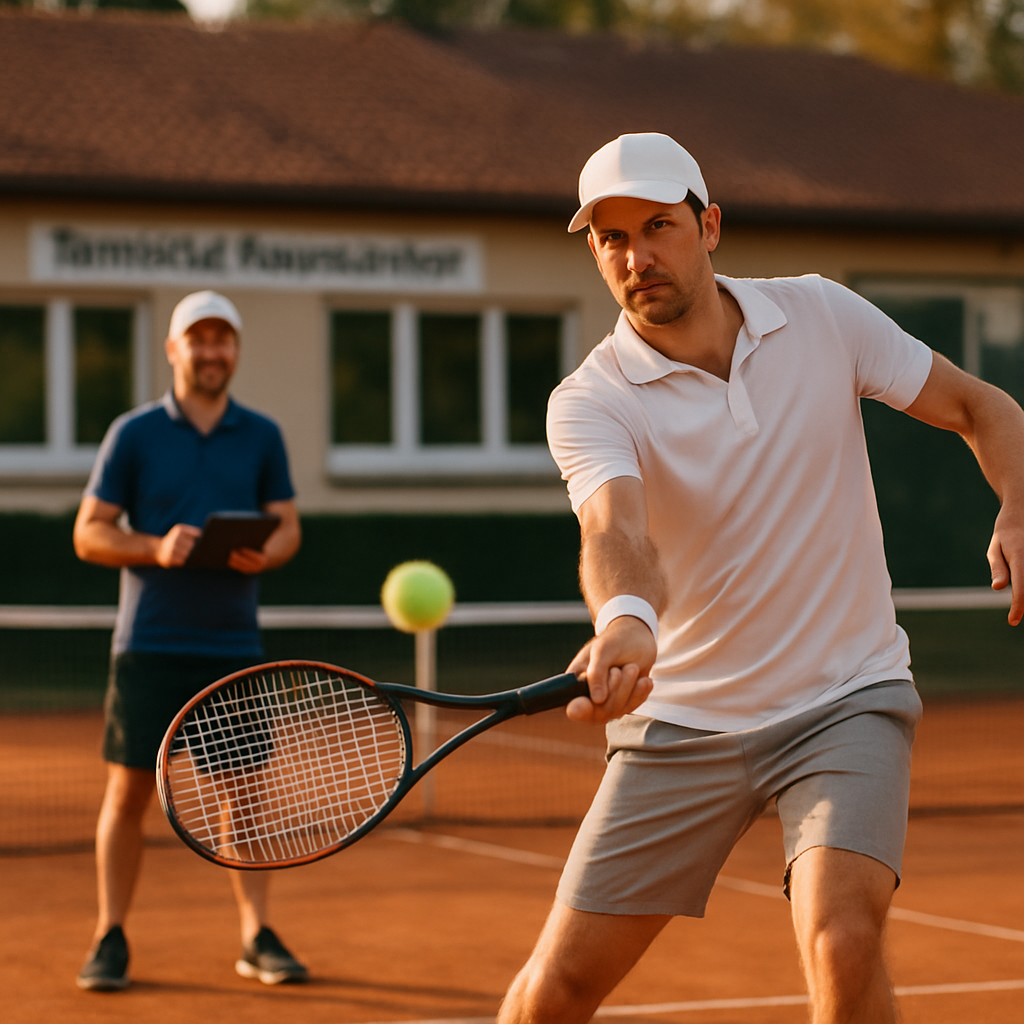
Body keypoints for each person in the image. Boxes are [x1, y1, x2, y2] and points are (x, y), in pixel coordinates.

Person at [497, 134, 1024, 1024]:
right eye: (611, 239)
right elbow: (613, 525)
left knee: (843, 936)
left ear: (710, 227)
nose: (637, 256)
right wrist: (625, 619)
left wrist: (1018, 507)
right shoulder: (590, 399)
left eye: (657, 226)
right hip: (686, 718)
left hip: (845, 697)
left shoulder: (822, 316)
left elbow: (984, 407)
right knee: (558, 989)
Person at [73, 290, 306, 992]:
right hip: (149, 644)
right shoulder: (134, 434)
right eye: (197, 340)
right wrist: (154, 547)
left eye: (223, 339)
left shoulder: (262, 435)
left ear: (234, 351)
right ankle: (110, 935)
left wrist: (267, 554)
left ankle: (255, 935)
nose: (211, 351)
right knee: (129, 793)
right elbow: (88, 532)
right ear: (173, 350)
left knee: (245, 798)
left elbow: (289, 526)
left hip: (231, 647)